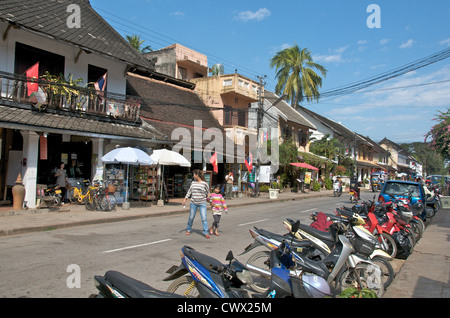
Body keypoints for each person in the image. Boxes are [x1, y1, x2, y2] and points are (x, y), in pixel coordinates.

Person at [183, 169, 211, 238]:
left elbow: (209, 193)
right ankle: (188, 229)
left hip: (202, 203)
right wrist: (185, 199)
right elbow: (189, 191)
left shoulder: (204, 184)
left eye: (194, 174)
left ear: (197, 175)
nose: (193, 176)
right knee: (191, 217)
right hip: (193, 203)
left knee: (204, 218)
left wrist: (209, 199)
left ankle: (205, 231)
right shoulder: (193, 183)